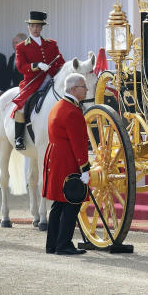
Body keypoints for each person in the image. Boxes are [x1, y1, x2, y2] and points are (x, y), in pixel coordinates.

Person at [42, 73, 91, 255]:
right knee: (72, 202)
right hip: (68, 161)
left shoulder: (59, 106)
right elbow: (78, 143)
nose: (86, 90)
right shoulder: (72, 112)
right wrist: (84, 168)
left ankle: (52, 244)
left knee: (59, 204)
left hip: (55, 158)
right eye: (83, 87)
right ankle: (63, 244)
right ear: (73, 89)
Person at [11, 11, 65, 150]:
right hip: (33, 82)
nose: (36, 29)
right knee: (21, 107)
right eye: (33, 26)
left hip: (52, 79)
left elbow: (60, 62)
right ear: (29, 27)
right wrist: (36, 66)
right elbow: (21, 67)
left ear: (42, 28)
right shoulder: (21, 46)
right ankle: (19, 138)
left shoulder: (51, 44)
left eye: (38, 26)